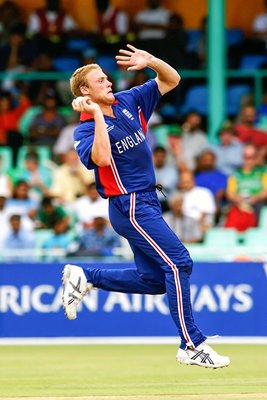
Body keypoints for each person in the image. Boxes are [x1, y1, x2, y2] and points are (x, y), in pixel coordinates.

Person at [62, 44, 230, 369]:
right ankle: (192, 344)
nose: (108, 82)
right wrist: (96, 115)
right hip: (130, 204)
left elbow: (172, 79)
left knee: (154, 280)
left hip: (148, 200)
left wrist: (152, 61)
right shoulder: (84, 128)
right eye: (100, 81)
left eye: (106, 78)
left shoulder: (130, 100)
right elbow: (100, 159)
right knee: (179, 263)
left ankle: (87, 276)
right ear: (85, 91)